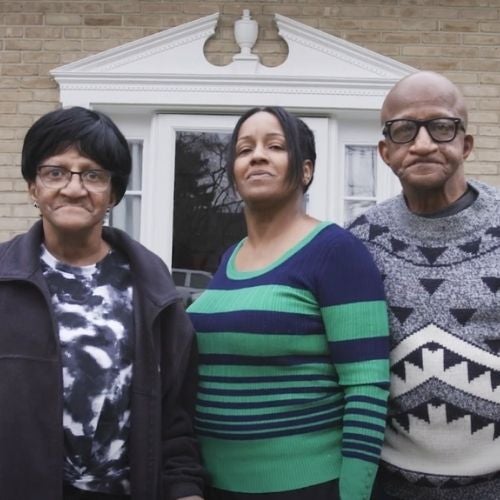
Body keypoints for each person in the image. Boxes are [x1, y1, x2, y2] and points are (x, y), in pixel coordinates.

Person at [0, 106, 205, 500]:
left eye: (93, 174)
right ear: (33, 187)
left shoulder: (152, 286)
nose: (74, 188)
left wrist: (185, 490)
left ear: (113, 192)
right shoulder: (6, 280)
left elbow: (176, 416)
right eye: (55, 172)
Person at [187, 106, 390, 500]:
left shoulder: (336, 252)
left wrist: (353, 494)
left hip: (307, 486)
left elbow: (367, 388)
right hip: (214, 485)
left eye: (275, 146)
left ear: (305, 171)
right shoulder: (230, 256)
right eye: (244, 149)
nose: (257, 155)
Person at [348, 71, 500, 500]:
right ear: (385, 151)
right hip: (389, 487)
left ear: (465, 143)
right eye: (404, 130)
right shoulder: (357, 242)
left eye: (441, 126)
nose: (423, 144)